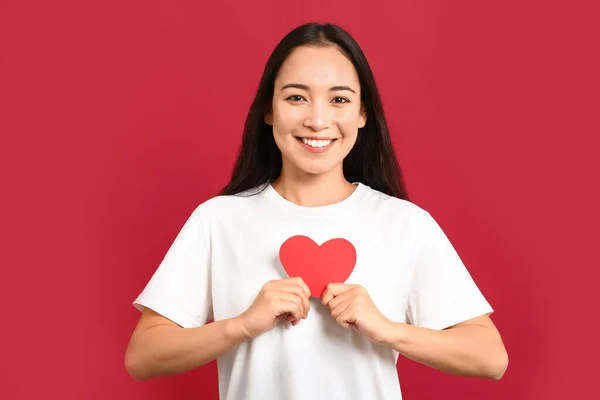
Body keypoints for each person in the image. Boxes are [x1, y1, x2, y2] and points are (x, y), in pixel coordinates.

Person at [125, 22, 508, 400]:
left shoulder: (404, 224)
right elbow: (143, 356)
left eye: (339, 99)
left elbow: (490, 358)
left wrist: (388, 330)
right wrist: (241, 325)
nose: (318, 120)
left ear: (363, 114)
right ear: (268, 111)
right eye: (296, 97)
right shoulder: (218, 220)